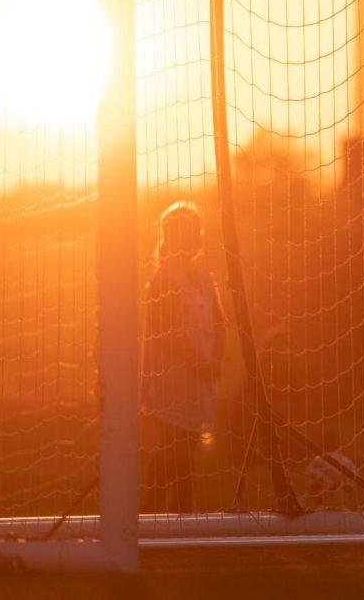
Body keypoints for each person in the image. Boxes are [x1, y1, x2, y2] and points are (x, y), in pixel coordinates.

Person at [141, 202, 226, 514]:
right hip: (172, 379)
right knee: (174, 447)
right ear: (171, 237)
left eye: (195, 231)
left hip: (199, 378)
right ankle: (172, 508)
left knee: (184, 446)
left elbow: (220, 322)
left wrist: (215, 361)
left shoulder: (204, 277)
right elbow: (169, 333)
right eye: (184, 232)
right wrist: (198, 363)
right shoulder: (164, 280)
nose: (192, 238)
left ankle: (160, 507)